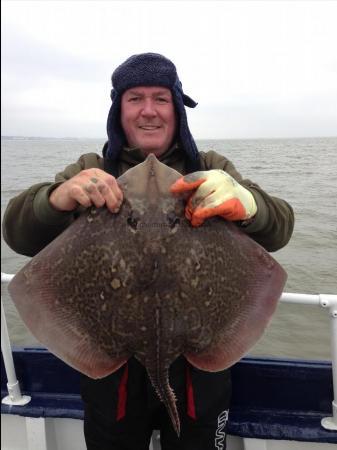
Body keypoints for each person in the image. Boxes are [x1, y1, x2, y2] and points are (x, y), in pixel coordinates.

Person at [3, 52, 294, 450]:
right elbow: (18, 234)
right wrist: (57, 197)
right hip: (112, 368)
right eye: (135, 98)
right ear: (118, 110)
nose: (148, 111)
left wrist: (250, 203)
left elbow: (280, 230)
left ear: (177, 107)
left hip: (199, 364)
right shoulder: (93, 168)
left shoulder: (209, 166)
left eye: (160, 98)